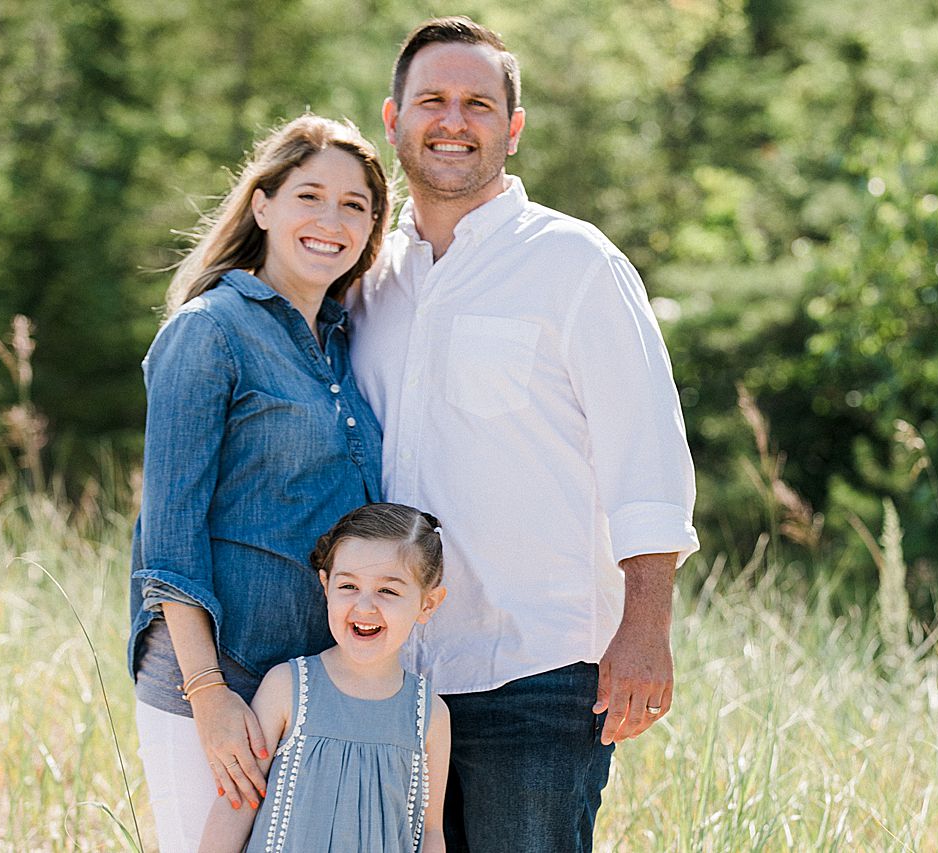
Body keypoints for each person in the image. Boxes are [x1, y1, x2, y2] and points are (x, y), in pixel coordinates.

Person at [349, 17, 700, 852]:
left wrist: (646, 627)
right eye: (432, 99)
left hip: (536, 674)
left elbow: (647, 453)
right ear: (393, 119)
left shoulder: (574, 264)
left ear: (512, 129)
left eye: (478, 103)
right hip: (389, 674)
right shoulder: (368, 280)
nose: (453, 119)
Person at [128, 114, 390, 852]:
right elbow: (169, 534)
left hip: (319, 684)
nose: (330, 220)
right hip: (220, 676)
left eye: (354, 205)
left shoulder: (343, 343)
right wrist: (208, 694)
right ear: (263, 205)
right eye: (310, 195)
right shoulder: (208, 331)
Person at [197, 502, 451, 852]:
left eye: (388, 591)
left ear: (428, 604)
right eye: (348, 586)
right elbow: (236, 803)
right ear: (326, 584)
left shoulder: (429, 715)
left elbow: (431, 830)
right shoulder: (288, 687)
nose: (364, 606)